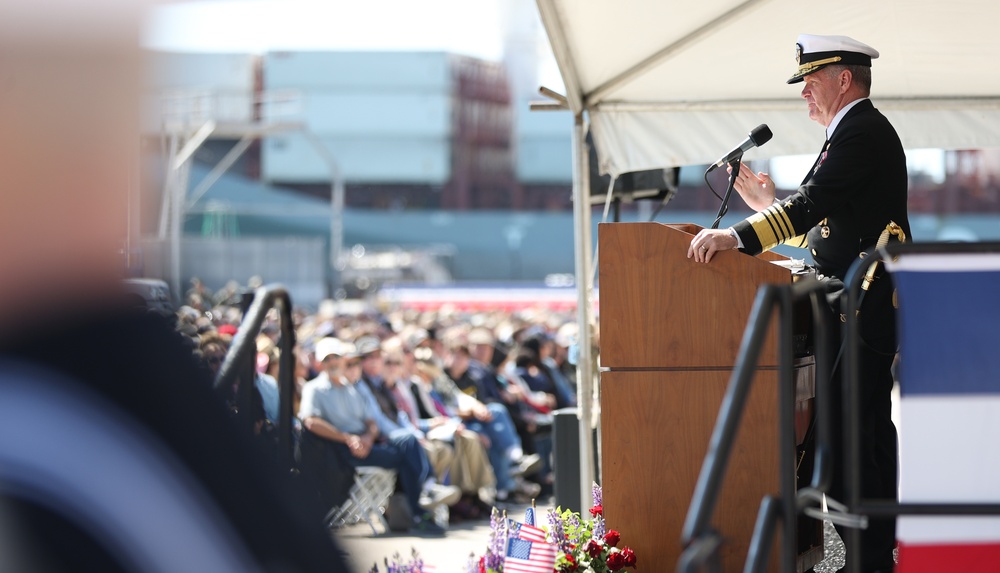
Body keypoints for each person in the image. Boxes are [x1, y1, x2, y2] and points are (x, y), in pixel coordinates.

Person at [687, 34, 908, 573]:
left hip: (859, 311)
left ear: (843, 79)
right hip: (853, 308)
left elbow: (813, 206)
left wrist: (738, 236)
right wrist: (768, 207)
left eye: (811, 84)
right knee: (861, 442)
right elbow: (830, 234)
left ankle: (870, 561)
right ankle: (872, 558)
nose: (804, 95)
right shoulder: (853, 132)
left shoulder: (860, 131)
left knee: (854, 446)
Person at [298, 338, 446, 533]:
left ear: (343, 360)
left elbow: (371, 422)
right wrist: (347, 438)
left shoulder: (353, 388)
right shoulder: (314, 388)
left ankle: (421, 504)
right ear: (320, 363)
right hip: (340, 450)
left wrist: (367, 438)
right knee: (407, 448)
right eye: (328, 359)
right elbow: (310, 421)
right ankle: (422, 503)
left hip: (364, 444)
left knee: (408, 443)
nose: (333, 362)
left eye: (336, 357)